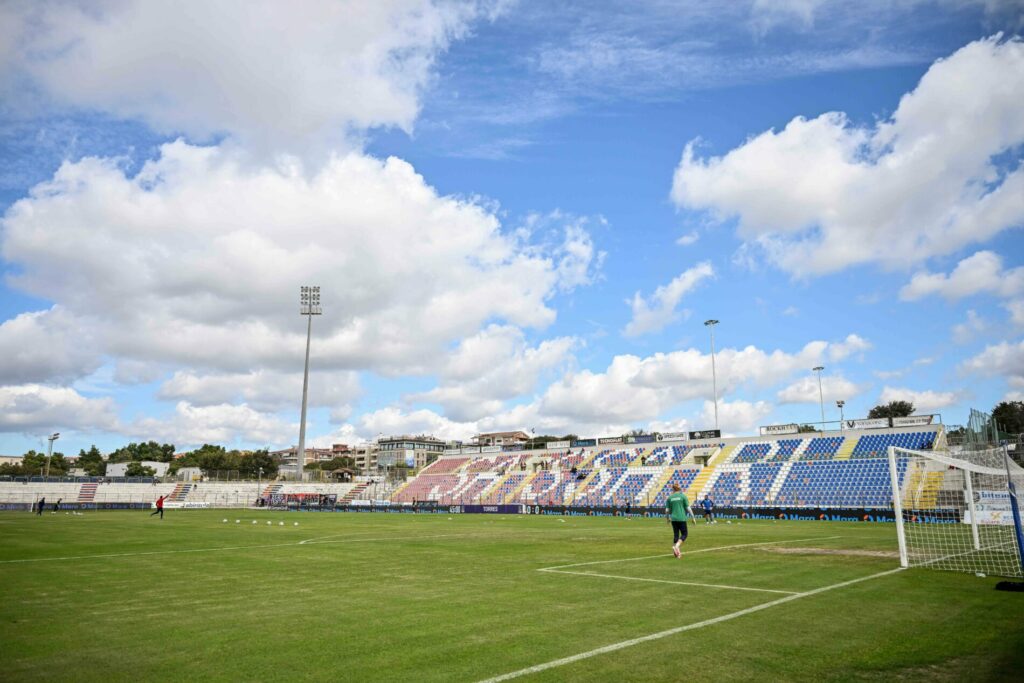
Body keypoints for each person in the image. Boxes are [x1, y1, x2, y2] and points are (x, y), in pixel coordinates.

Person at [665, 484, 691, 559]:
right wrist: (693, 517)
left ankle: (677, 554)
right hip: (682, 518)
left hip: (673, 519)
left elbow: (666, 510)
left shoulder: (669, 497)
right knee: (685, 534)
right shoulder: (683, 496)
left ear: (673, 489)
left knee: (676, 535)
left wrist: (667, 518)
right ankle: (676, 546)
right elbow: (688, 508)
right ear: (679, 489)